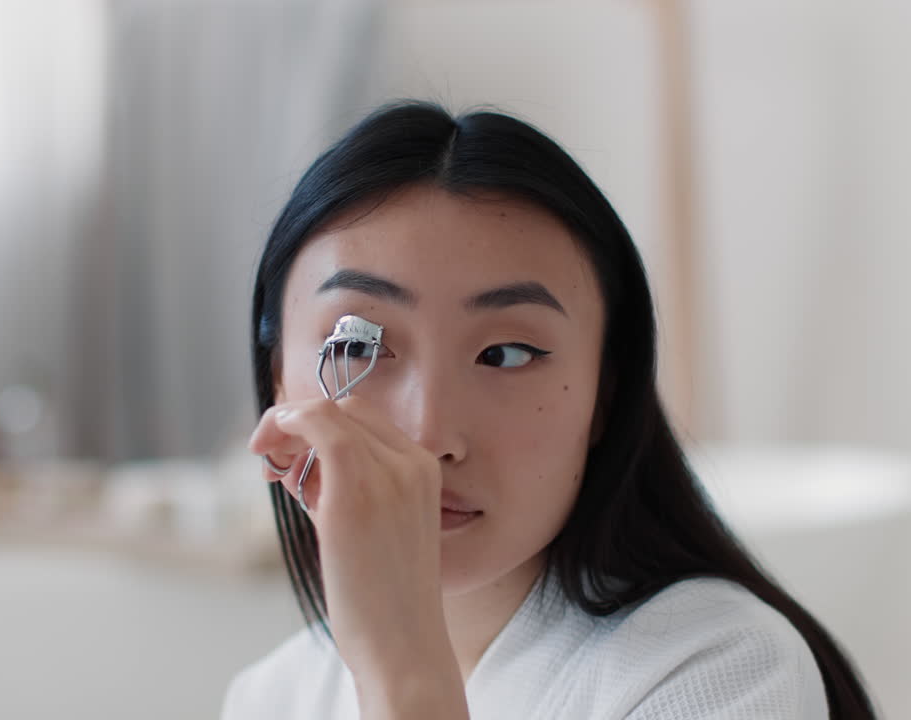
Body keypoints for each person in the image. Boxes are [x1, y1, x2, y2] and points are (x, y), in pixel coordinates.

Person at [224, 100, 875, 719]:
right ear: (280, 381)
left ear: (604, 395)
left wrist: (403, 672)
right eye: (359, 343)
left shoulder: (720, 670)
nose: (430, 434)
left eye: (506, 353)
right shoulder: (273, 698)